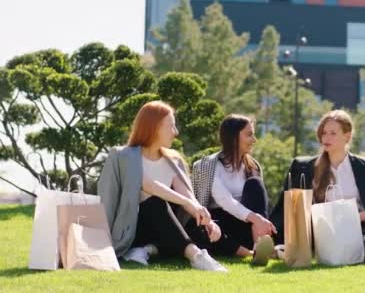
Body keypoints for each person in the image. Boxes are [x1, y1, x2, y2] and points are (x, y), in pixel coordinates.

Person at [270, 110, 365, 274]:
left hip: (359, 229)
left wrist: (357, 217)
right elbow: (287, 207)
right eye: (324, 133)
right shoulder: (304, 167)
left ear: (347, 136)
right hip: (321, 233)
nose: (326, 138)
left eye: (332, 133)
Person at [98, 101, 227, 272]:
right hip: (134, 229)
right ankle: (196, 256)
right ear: (155, 127)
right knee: (156, 203)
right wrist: (187, 203)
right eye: (172, 126)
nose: (176, 132)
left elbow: (187, 195)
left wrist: (203, 216)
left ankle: (148, 250)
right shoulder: (124, 156)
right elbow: (150, 186)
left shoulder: (173, 160)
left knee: (200, 227)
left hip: (163, 225)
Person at [192, 114, 276, 266]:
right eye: (249, 134)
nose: (254, 140)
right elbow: (225, 201)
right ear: (233, 137)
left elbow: (259, 204)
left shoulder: (253, 166)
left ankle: (260, 243)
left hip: (246, 228)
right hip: (219, 226)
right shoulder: (206, 165)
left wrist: (257, 220)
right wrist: (256, 218)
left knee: (255, 184)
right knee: (204, 230)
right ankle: (251, 253)